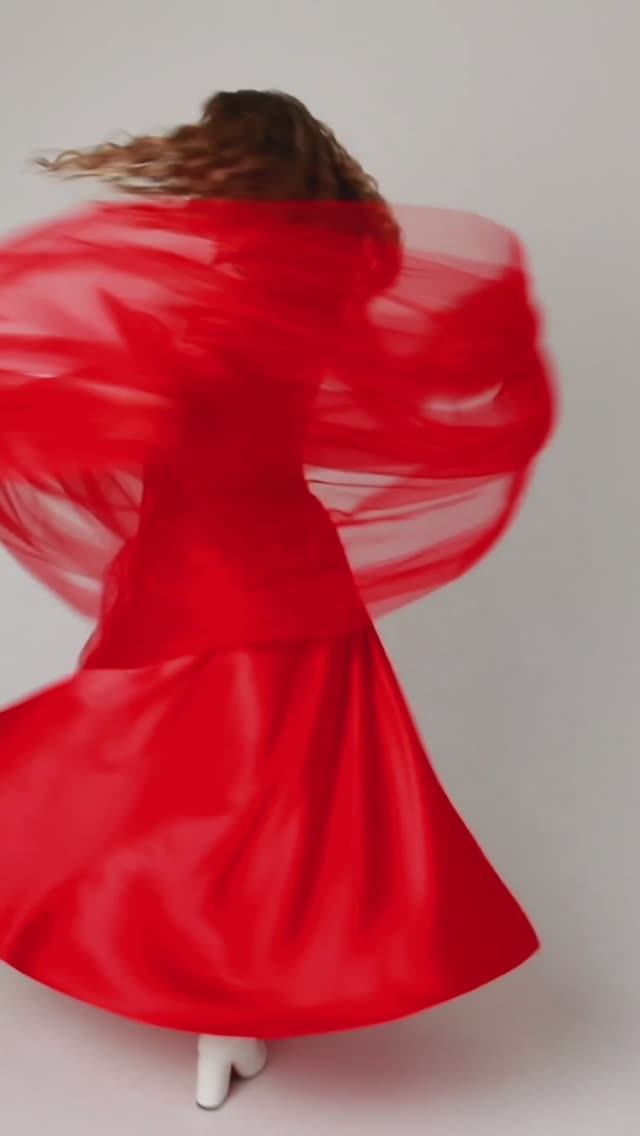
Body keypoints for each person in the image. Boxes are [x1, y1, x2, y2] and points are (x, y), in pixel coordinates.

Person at [0, 89, 554, 1110]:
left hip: (216, 562)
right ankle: (227, 1008)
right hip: (259, 554)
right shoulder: (320, 283)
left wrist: (75, 383)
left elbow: (166, 407)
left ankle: (221, 1006)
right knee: (266, 797)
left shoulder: (226, 297)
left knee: (201, 781)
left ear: (240, 167)